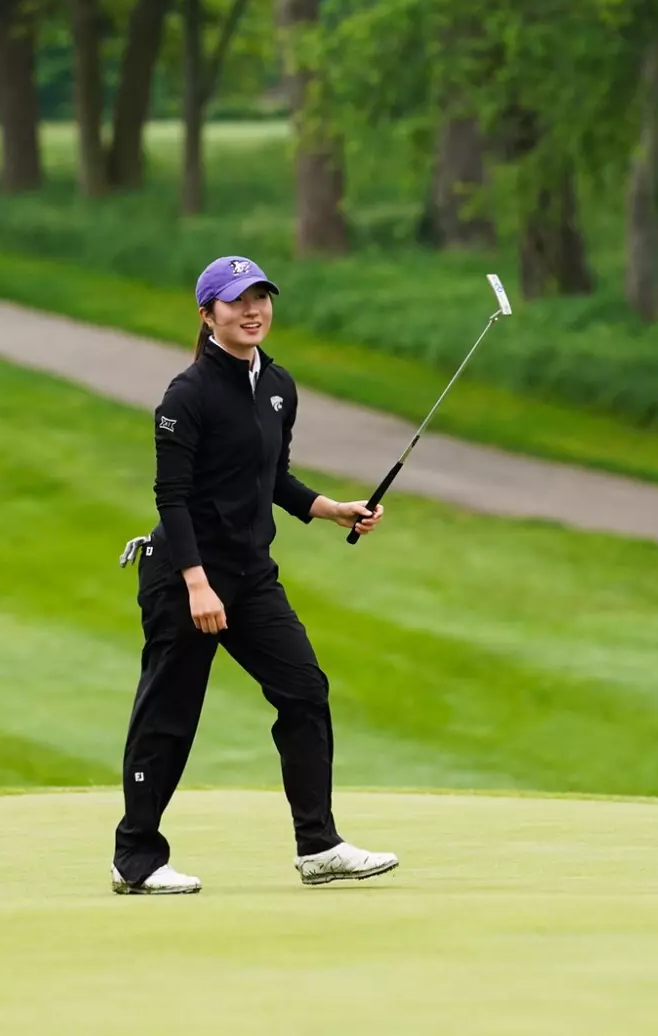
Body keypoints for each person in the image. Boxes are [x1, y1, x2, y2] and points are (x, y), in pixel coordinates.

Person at [109, 255, 399, 896]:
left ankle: (318, 846)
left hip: (250, 576)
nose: (253, 311)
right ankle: (135, 858)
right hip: (185, 577)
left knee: (304, 690)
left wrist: (330, 508)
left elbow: (271, 477)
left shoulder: (278, 386)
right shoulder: (187, 395)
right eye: (237, 301)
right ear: (207, 314)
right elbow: (171, 497)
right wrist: (196, 583)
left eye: (261, 298)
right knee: (170, 713)